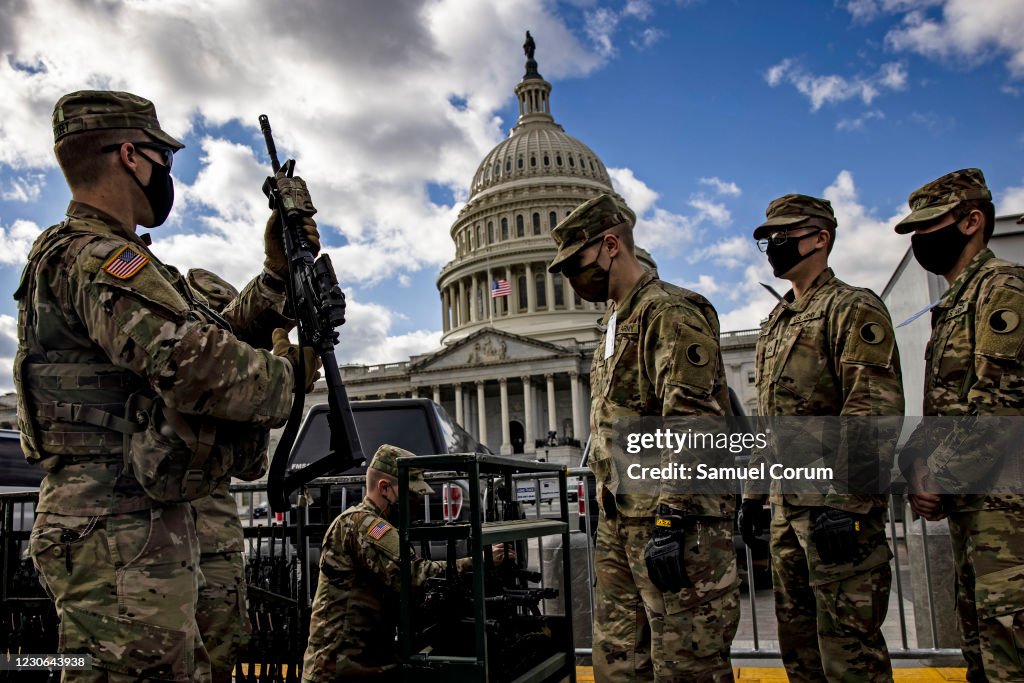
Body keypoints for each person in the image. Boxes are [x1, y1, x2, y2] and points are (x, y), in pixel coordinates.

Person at [15, 90, 321, 682]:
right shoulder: (92, 257)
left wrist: (276, 278)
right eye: (163, 158)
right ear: (130, 155)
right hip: (113, 524)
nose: (167, 173)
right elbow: (191, 363)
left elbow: (211, 330)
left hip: (129, 519)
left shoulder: (114, 258)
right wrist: (289, 375)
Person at [548, 193, 739, 682]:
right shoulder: (616, 324)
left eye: (578, 263)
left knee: (687, 665)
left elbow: (693, 423)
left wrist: (670, 519)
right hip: (622, 522)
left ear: (611, 245)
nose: (573, 279)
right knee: (619, 663)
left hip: (675, 524)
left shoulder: (670, 312)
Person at [738, 194, 904, 682]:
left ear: (820, 238)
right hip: (789, 516)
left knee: (851, 653)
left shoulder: (852, 307)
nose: (773, 245)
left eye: (783, 235)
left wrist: (846, 502)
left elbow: (872, 410)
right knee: (801, 653)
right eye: (768, 238)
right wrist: (752, 496)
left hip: (836, 516)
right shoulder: (775, 323)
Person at [894, 169, 1024, 682]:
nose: (921, 240)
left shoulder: (1003, 290)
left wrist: (937, 478)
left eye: (930, 227)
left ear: (973, 221)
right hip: (976, 515)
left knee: (1009, 656)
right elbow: (940, 414)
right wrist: (916, 468)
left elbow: (999, 407)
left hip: (1009, 519)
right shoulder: (952, 307)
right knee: (981, 653)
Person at [301, 444, 510, 681]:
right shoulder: (364, 525)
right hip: (339, 671)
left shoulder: (369, 524)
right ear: (385, 488)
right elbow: (417, 575)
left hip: (358, 664)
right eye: (410, 494)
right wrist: (480, 561)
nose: (416, 502)